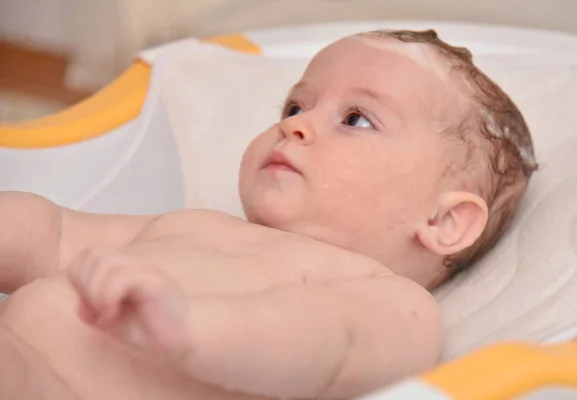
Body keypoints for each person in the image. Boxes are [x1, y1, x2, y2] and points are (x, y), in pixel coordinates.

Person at [0, 29, 537, 400]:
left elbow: (320, 344)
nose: (295, 127)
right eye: (295, 107)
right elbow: (54, 236)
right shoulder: (198, 224)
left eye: (357, 119)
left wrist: (193, 327)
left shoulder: (392, 301)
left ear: (444, 222)